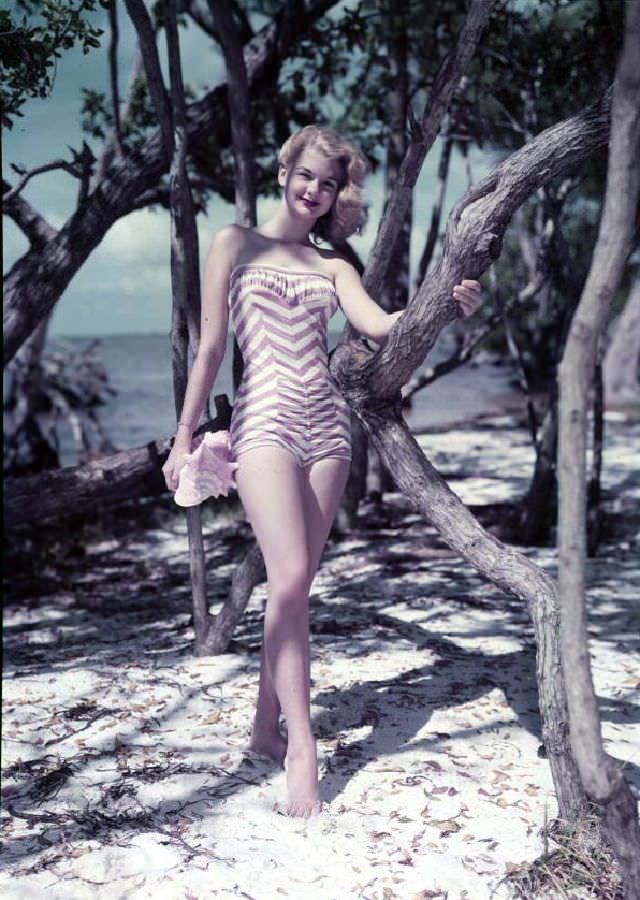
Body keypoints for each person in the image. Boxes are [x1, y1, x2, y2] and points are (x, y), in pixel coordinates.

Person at [162, 125, 481, 818]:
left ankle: (262, 729)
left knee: (295, 586)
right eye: (307, 175)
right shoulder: (233, 243)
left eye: (328, 183)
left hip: (327, 428)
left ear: (337, 192)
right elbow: (211, 345)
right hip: (263, 421)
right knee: (292, 579)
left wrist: (440, 308)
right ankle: (302, 746)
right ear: (284, 169)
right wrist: (183, 436)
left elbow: (381, 325)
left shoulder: (335, 264)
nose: (315, 190)